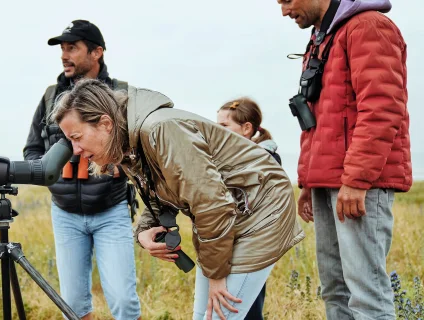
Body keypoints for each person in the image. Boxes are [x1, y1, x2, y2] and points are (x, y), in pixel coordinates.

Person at [51, 79, 305, 320]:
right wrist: (144, 231)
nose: (75, 151)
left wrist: (217, 275)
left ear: (105, 123)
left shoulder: (160, 129)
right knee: (203, 315)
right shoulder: (126, 142)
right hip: (229, 215)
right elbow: (160, 193)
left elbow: (211, 202)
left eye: (76, 137)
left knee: (218, 315)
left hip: (259, 213)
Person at [277, 0, 411, 319]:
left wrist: (356, 179)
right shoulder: (323, 37)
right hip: (329, 182)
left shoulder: (367, 26)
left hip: (358, 186)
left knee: (366, 293)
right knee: (335, 290)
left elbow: (381, 108)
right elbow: (316, 119)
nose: (283, 11)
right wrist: (309, 182)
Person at [22, 20, 141, 320]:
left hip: (111, 210)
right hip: (65, 215)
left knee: (124, 302)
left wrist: (119, 165)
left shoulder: (122, 94)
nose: (65, 55)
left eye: (72, 48)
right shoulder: (51, 97)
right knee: (73, 306)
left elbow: (140, 151)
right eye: (62, 49)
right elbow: (31, 151)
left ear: (97, 52)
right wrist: (52, 172)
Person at [192, 97, 283, 320]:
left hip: (250, 245)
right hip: (224, 241)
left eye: (224, 126)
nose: (216, 131)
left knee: (242, 308)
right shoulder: (223, 159)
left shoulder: (265, 161)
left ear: (246, 128)